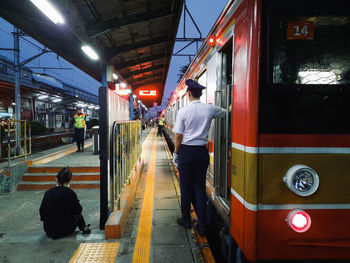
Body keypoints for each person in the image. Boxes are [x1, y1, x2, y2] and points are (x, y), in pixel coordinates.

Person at [172, 79, 226, 236]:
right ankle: (202, 225)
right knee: (200, 189)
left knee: (185, 187)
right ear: (201, 94)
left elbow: (178, 137)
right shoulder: (209, 109)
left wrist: (176, 154)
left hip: (186, 153)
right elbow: (225, 112)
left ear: (188, 93)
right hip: (202, 153)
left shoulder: (183, 112)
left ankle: (186, 220)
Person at [39, 167, 91, 239]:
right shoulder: (70, 193)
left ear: (56, 179)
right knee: (77, 211)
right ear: (69, 181)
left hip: (48, 230)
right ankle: (84, 227)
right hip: (65, 230)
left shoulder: (48, 192)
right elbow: (78, 210)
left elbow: (42, 212)